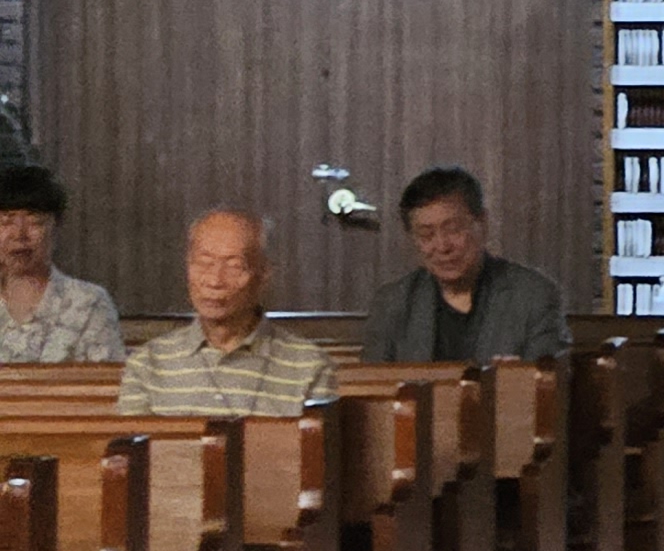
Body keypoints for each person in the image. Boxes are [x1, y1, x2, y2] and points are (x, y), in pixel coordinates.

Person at [116, 211, 334, 415]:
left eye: (235, 266)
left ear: (264, 274)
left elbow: (315, 442)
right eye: (204, 262)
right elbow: (134, 441)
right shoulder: (147, 364)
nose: (215, 281)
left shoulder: (309, 366)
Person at [359, 166, 567, 363]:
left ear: (482, 223)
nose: (442, 246)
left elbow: (549, 379)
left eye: (453, 229)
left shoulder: (533, 296)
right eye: (426, 235)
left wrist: (517, 378)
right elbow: (374, 381)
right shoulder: (392, 303)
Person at [0, 163, 123, 365]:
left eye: (35, 222)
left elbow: (105, 381)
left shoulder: (89, 304)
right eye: (6, 222)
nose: (19, 234)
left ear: (55, 227)